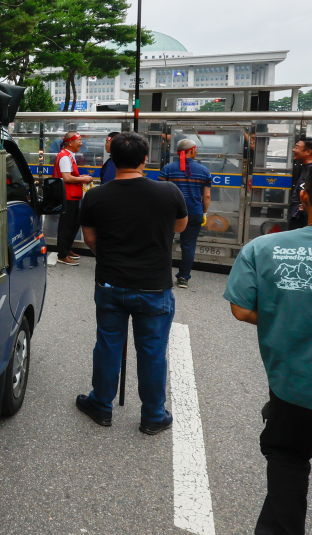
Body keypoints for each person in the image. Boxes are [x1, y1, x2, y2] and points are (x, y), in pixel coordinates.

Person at [74, 132, 188, 434]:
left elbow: (90, 239)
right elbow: (179, 226)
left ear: (112, 159)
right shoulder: (169, 192)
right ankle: (152, 415)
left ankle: (101, 404)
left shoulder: (95, 196)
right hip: (154, 287)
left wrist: (111, 256)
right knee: (152, 351)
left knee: (108, 346)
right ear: (145, 159)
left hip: (111, 283)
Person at [224, 175, 312, 535]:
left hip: (293, 389)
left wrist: (285, 314)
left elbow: (242, 310)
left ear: (303, 196)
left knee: (288, 463)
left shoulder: (264, 248)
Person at [160, 138, 212, 289]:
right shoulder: (204, 171)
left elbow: (161, 191)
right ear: (193, 150)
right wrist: (204, 212)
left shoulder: (167, 169)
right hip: (194, 212)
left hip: (170, 213)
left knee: (164, 243)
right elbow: (207, 196)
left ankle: (162, 275)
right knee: (188, 246)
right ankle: (183, 278)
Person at [52, 132, 94, 266]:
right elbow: (67, 178)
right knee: (67, 224)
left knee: (74, 222)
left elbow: (70, 175)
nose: (81, 143)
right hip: (68, 195)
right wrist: (83, 179)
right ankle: (62, 254)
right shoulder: (64, 156)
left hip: (73, 194)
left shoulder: (69, 155)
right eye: (79, 140)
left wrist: (80, 177)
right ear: (70, 142)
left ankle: (66, 248)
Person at [290, 136, 312, 230]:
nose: (293, 150)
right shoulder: (303, 167)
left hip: (306, 220)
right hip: (297, 217)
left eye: (297, 147)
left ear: (308, 152)